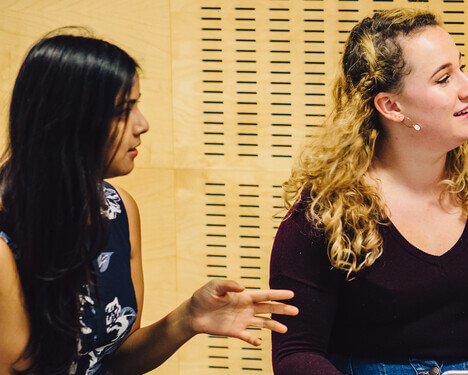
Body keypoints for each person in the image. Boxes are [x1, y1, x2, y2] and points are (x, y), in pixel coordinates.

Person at [268, 8, 468, 374]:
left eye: (462, 67)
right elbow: (296, 353)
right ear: (391, 106)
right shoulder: (325, 209)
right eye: (444, 79)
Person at [0, 30, 299, 375]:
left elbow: (115, 360)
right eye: (123, 111)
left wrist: (188, 318)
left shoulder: (118, 209)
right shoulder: (6, 242)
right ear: (69, 121)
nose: (142, 124)